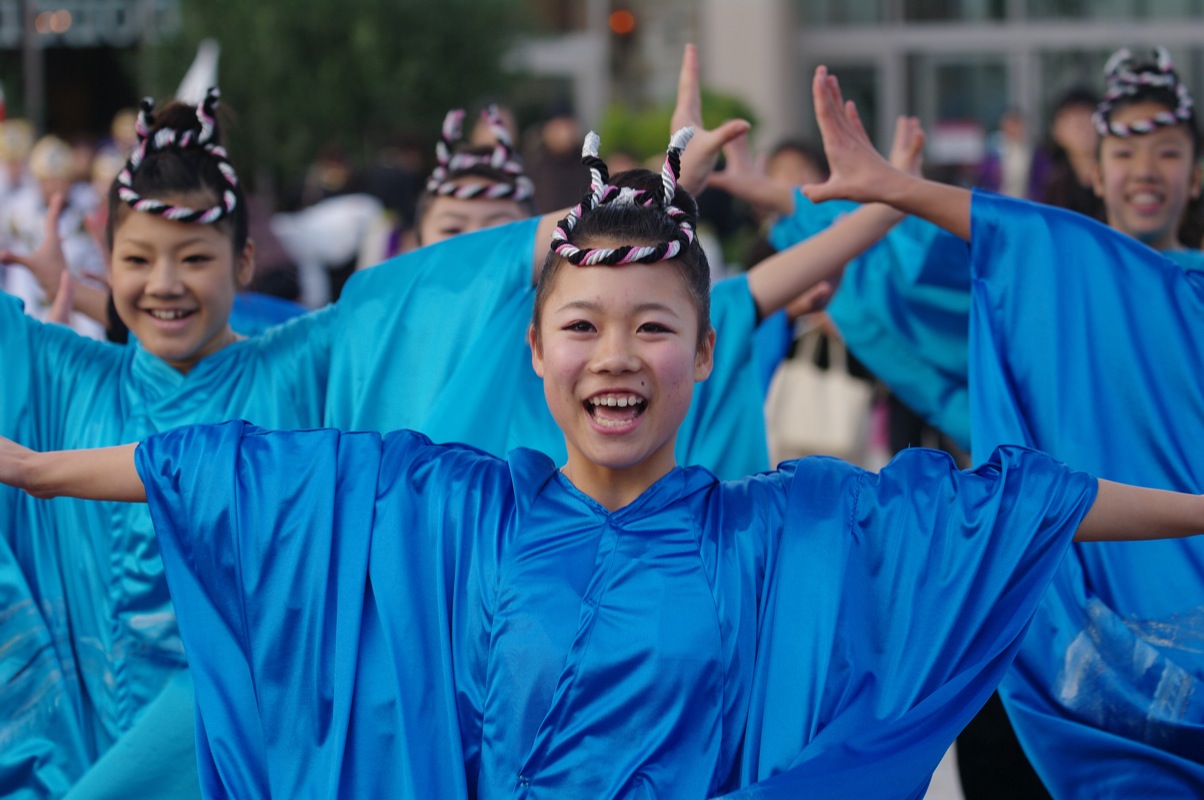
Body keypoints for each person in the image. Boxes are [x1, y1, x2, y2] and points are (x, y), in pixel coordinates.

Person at [3, 129, 1203, 800]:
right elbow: (247, 473)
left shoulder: (775, 529)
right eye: (581, 325)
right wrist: (41, 473)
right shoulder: (460, 509)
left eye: (650, 326)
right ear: (534, 350)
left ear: (707, 349)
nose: (613, 355)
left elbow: (1013, 509)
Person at [804, 51, 1204, 796]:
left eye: (1168, 152)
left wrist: (903, 188)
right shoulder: (1041, 280)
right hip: (1051, 616)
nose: (1144, 172)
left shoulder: (1159, 284)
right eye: (1124, 153)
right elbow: (944, 274)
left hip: (1185, 610)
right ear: (1093, 169)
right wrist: (875, 198)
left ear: (1198, 172)